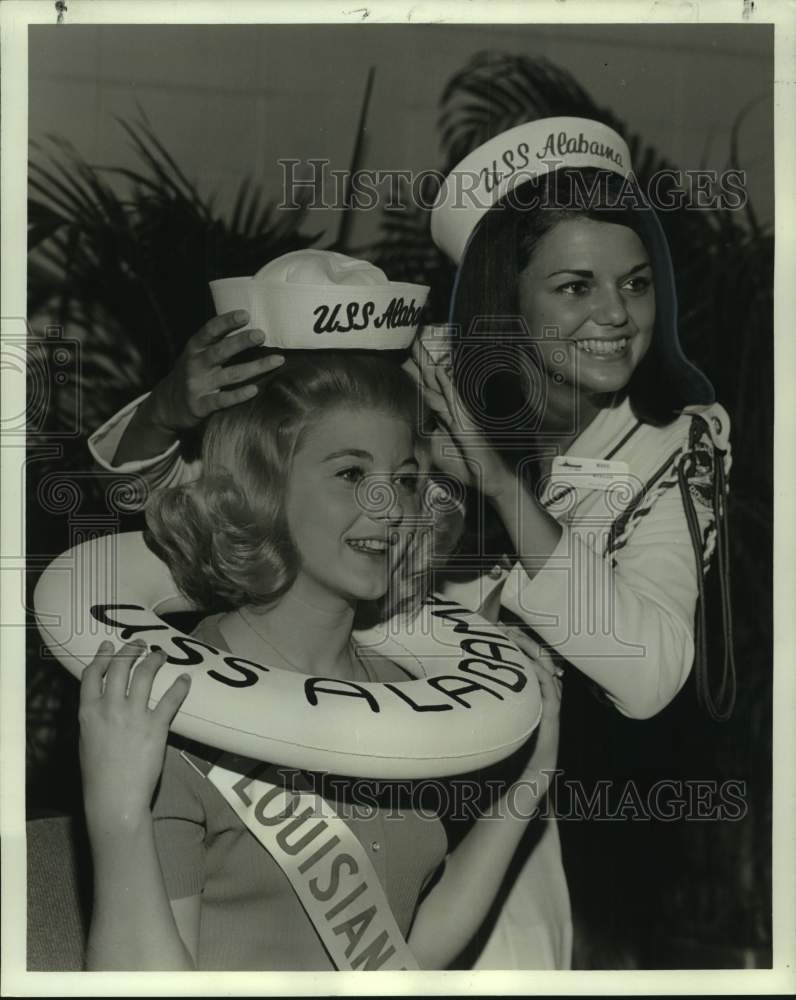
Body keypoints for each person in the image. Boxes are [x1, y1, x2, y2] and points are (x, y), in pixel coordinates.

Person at [88, 118, 734, 970]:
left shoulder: (671, 441)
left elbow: (649, 674)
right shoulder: (405, 370)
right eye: (574, 287)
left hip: (493, 806)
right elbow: (210, 505)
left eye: (637, 284)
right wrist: (170, 411)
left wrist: (501, 489)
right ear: (507, 295)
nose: (615, 315)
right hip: (295, 730)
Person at [78, 257, 563, 972]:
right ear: (262, 485)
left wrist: (529, 781)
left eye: (403, 478)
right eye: (349, 474)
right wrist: (117, 817)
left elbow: (413, 951)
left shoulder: (411, 698)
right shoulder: (172, 703)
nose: (390, 507)